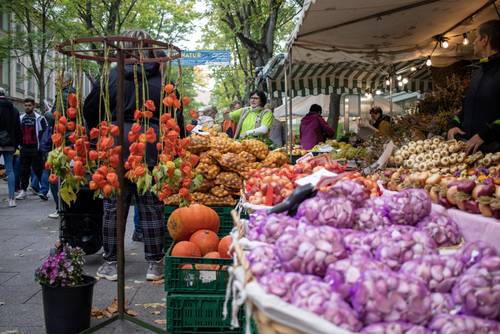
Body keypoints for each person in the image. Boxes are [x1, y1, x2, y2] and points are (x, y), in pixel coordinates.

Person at [83, 29, 165, 281]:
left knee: (113, 206)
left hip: (116, 141)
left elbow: (91, 106)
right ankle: (154, 263)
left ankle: (110, 262)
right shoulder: (159, 75)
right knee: (150, 204)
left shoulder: (113, 74)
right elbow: (175, 111)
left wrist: (99, 133)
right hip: (150, 140)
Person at [447, 19, 500, 154]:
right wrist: (453, 125)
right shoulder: (478, 73)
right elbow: (467, 107)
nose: (473, 42)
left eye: (476, 37)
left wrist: (484, 135)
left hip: (493, 156)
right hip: (472, 155)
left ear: (485, 40)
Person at [15, 98, 47, 201]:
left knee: (38, 170)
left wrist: (41, 147)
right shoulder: (21, 118)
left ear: (33, 106)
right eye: (26, 105)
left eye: (29, 105)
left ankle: (44, 191)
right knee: (24, 171)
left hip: (35, 149)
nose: (27, 107)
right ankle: (23, 191)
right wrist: (19, 145)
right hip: (24, 148)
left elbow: (45, 133)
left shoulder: (40, 118)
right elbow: (18, 132)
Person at [0, 87, 22, 207]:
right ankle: (11, 199)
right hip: (9, 143)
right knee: (10, 170)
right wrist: (18, 143)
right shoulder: (14, 109)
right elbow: (18, 128)